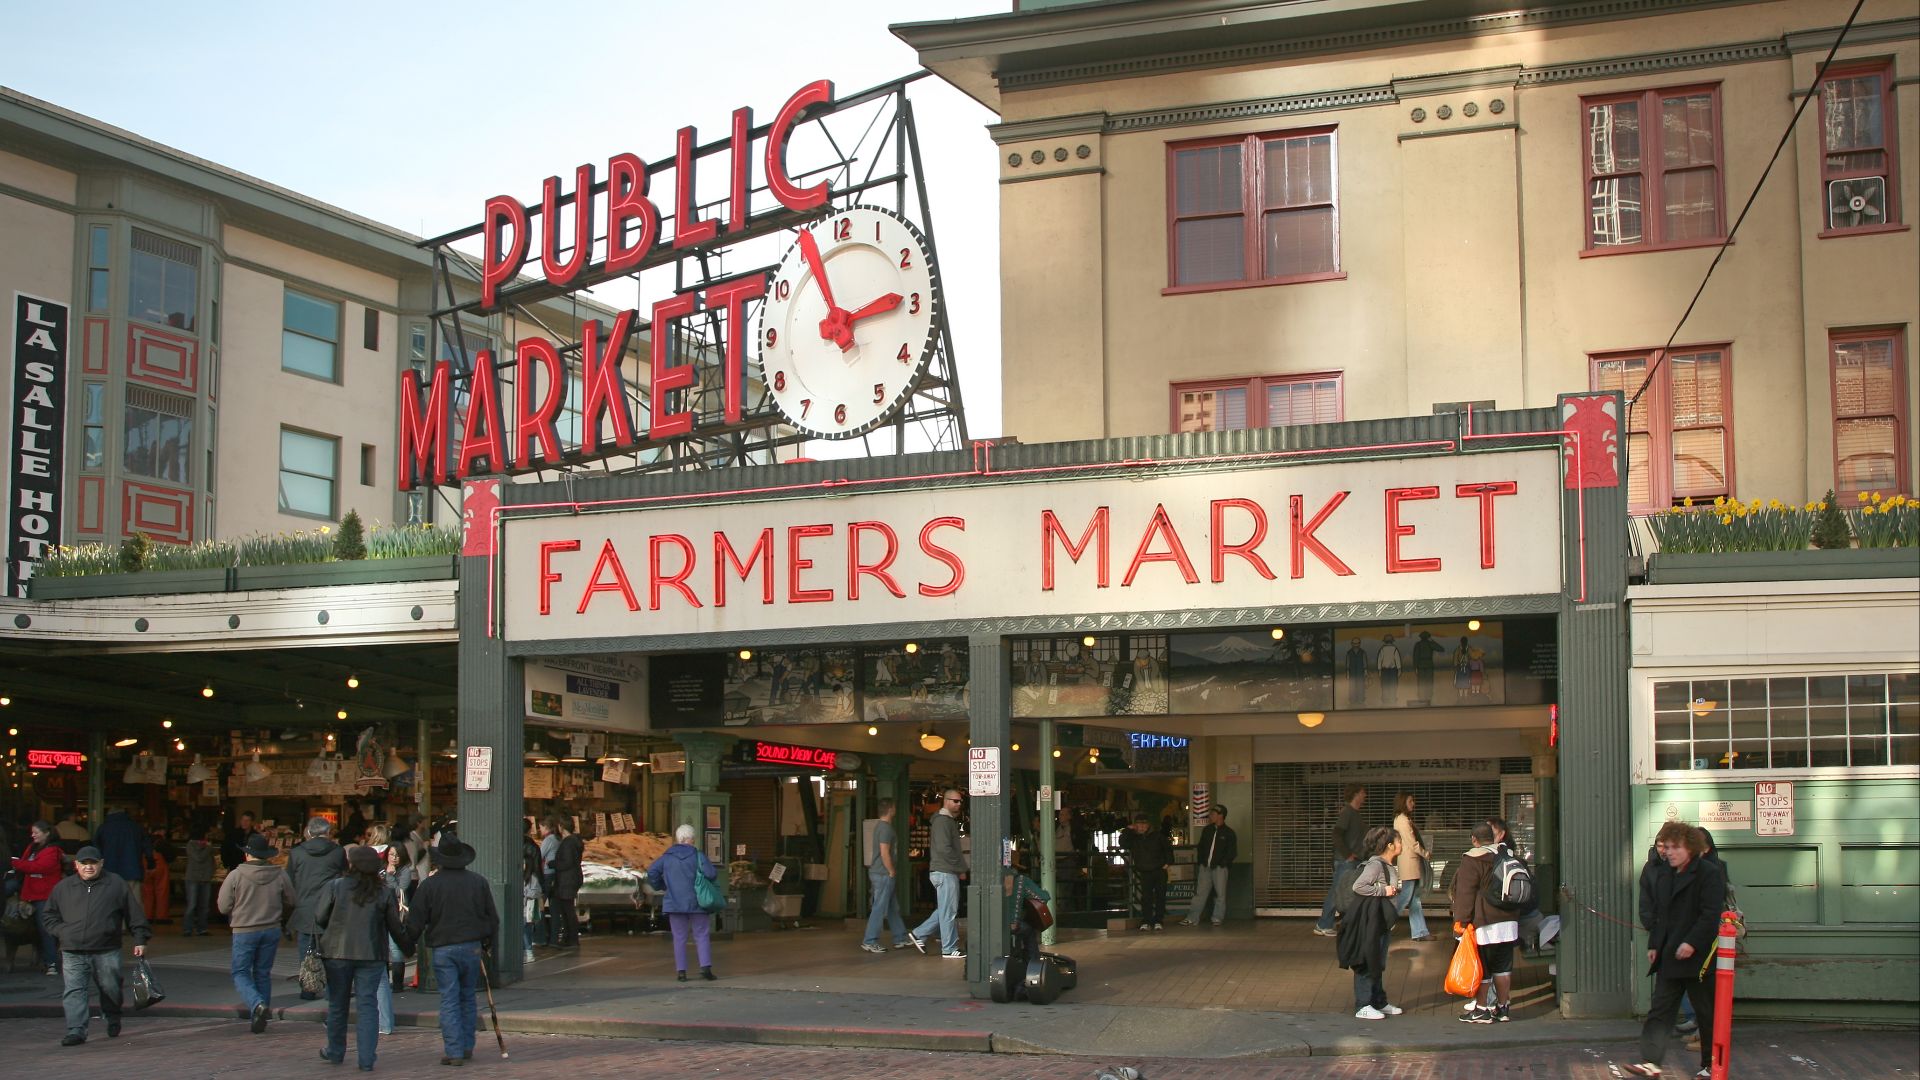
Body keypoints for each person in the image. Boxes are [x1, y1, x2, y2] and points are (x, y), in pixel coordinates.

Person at [1623, 822, 1726, 1079]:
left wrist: (1692, 942)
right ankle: (1650, 1062)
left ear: (1690, 848)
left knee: (1705, 1013)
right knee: (1660, 1010)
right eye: (1666, 847)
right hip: (1671, 954)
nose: (1669, 852)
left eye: (1675, 847)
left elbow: (1710, 915)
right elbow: (1662, 914)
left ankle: (1710, 1065)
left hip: (1699, 957)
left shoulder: (1709, 873)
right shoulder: (1665, 874)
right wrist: (1655, 944)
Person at [314, 844, 411, 1071]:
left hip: (337, 953)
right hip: (371, 954)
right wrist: (408, 947)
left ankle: (336, 1051)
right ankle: (366, 1059)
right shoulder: (383, 891)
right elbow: (395, 927)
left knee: (338, 1004)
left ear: (352, 864)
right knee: (368, 1005)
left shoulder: (335, 886)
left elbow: (320, 917)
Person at [404, 833, 498, 1068]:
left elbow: (416, 920)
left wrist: (407, 944)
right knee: (467, 997)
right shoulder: (478, 882)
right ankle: (466, 1045)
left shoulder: (430, 885)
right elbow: (491, 918)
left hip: (444, 948)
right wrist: (487, 942)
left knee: (449, 998)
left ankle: (454, 1049)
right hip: (471, 946)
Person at [44, 845, 150, 1046]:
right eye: (84, 863)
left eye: (93, 863)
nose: (89, 867)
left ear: (101, 864)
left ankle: (112, 1016)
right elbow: (49, 915)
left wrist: (140, 939)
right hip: (72, 949)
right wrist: (61, 932)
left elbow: (133, 912)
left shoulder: (116, 884)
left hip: (106, 948)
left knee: (110, 987)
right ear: (76, 865)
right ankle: (76, 1030)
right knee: (74, 990)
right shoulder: (63, 887)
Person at [219, 832, 298, 1033]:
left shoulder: (235, 875)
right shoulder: (280, 874)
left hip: (244, 929)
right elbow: (292, 900)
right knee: (262, 972)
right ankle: (260, 1016)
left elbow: (223, 906)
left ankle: (257, 1005)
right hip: (271, 928)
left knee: (240, 972)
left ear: (247, 855)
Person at [1451, 821, 1520, 1023]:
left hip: (1485, 922)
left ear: (1474, 839)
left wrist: (1461, 922)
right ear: (1493, 836)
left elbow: (1465, 894)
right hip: (1509, 922)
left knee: (1484, 968)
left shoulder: (1473, 859)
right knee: (1503, 967)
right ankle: (1503, 1008)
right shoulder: (1507, 855)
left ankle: (1481, 1009)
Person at [1338, 825, 1404, 1020]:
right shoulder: (1376, 865)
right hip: (1372, 921)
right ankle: (1363, 1004)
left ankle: (1378, 1001)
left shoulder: (1387, 865)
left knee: (1377, 963)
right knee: (1367, 962)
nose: (1401, 845)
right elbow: (1359, 886)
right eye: (1399, 841)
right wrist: (1383, 891)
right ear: (1390, 845)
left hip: (1381, 922)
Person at [647, 823, 720, 981]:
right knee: (701, 934)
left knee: (679, 937)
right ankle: (705, 968)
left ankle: (681, 972)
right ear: (691, 839)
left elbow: (651, 871)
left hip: (674, 902)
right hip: (698, 902)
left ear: (678, 839)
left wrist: (661, 885)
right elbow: (712, 874)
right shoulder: (698, 855)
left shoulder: (667, 857)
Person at [289, 817, 347, 999]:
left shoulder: (296, 853)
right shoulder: (338, 852)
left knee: (305, 952)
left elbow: (289, 880)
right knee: (331, 954)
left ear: (308, 832)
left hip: (304, 908)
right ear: (328, 832)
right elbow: (345, 876)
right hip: (330, 908)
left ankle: (308, 989)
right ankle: (332, 991)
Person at [907, 788, 967, 958]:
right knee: (949, 911)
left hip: (943, 870)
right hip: (945, 871)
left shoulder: (944, 821)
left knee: (945, 909)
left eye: (960, 801)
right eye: (955, 801)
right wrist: (960, 868)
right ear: (946, 801)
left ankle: (919, 934)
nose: (959, 804)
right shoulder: (943, 822)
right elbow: (945, 849)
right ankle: (948, 948)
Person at [10, 819, 64, 975]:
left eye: (35, 832)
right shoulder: (32, 847)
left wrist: (15, 863)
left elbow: (40, 867)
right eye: (32, 832)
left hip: (44, 894)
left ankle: (51, 962)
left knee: (45, 929)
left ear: (46, 833)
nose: (32, 835)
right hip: (30, 890)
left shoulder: (53, 851)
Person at [1315, 784, 1368, 936]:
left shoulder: (1355, 814)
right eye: (1363, 792)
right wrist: (1348, 854)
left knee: (1348, 893)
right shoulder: (1348, 813)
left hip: (1353, 860)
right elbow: (1336, 834)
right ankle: (1323, 924)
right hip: (1346, 861)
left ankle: (1345, 923)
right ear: (1356, 794)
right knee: (1337, 892)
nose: (1365, 795)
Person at [861, 798, 908, 953]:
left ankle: (900, 937)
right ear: (891, 809)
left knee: (892, 906)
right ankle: (870, 940)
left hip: (879, 872)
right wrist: (891, 870)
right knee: (879, 908)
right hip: (883, 873)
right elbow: (884, 852)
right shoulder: (886, 829)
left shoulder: (879, 827)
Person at [1181, 805, 1236, 926]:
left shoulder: (1229, 833)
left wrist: (1223, 863)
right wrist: (1201, 861)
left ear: (1221, 815)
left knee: (1220, 894)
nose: (1210, 816)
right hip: (1205, 867)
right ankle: (1192, 918)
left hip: (1220, 868)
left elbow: (1232, 852)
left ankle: (1217, 918)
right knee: (1200, 893)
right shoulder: (1207, 830)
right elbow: (1201, 847)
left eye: (1213, 814)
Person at [1119, 813, 1171, 931]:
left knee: (1160, 897)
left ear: (1148, 825)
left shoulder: (1158, 836)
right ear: (1135, 825)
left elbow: (1168, 849)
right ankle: (1146, 920)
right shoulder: (1133, 838)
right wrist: (1127, 830)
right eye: (1139, 824)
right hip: (1145, 871)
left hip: (1159, 870)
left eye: (1144, 824)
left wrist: (1168, 863)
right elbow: (1122, 843)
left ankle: (1158, 920)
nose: (1141, 827)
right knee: (1146, 897)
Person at [1392, 794, 1433, 941]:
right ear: (1403, 802)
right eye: (1410, 801)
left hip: (1409, 862)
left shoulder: (1402, 819)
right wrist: (1425, 853)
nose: (1413, 803)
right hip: (1410, 863)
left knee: (1414, 899)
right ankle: (1383, 921)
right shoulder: (1403, 820)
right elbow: (1412, 842)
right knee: (1406, 897)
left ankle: (1420, 932)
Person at [1006, 849, 1052, 962]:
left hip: (993, 925)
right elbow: (1043, 897)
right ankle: (1033, 964)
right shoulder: (1021, 880)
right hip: (1012, 925)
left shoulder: (993, 879)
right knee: (1029, 930)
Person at [549, 816, 584, 948]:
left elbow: (566, 862)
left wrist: (553, 863)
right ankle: (570, 937)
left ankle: (572, 939)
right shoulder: (575, 842)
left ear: (561, 827)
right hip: (572, 878)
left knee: (567, 910)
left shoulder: (568, 843)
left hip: (566, 880)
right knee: (567, 909)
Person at [93, 807, 147, 889]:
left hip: (108, 870)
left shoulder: (103, 828)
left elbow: (96, 850)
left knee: (111, 899)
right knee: (132, 899)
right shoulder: (135, 827)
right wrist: (150, 862)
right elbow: (146, 846)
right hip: (132, 870)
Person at [181, 828, 217, 936]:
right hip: (192, 878)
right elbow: (199, 857)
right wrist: (208, 848)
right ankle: (187, 929)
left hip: (206, 879)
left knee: (204, 906)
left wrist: (211, 872)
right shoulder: (191, 845)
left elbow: (212, 861)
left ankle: (202, 928)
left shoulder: (207, 846)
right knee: (192, 904)